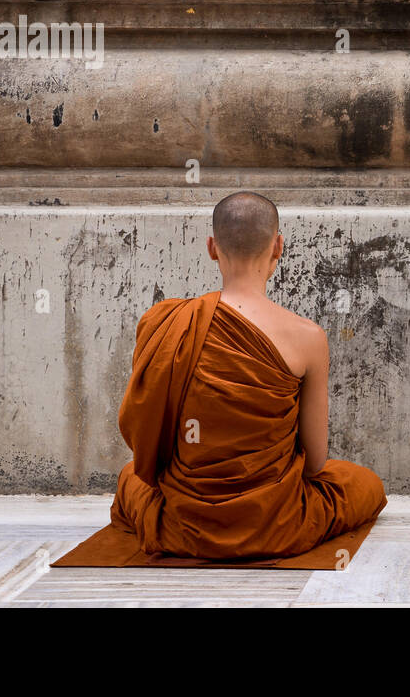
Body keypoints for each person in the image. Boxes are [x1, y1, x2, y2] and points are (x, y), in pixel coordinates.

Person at [110, 191, 386, 558]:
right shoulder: (308, 337)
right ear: (278, 247)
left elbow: (145, 441)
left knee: (130, 477)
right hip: (275, 524)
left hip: (184, 523)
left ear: (211, 247)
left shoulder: (170, 324)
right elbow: (317, 463)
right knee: (365, 483)